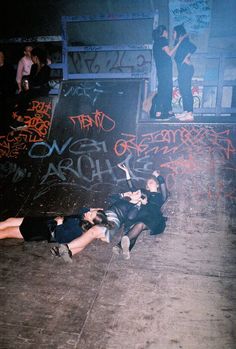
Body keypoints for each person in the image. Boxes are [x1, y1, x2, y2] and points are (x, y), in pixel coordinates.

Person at [50, 188, 149, 262]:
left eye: (137, 193)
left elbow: (131, 217)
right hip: (103, 217)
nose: (134, 192)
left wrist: (138, 204)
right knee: (87, 237)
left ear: (141, 198)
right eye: (135, 191)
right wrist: (123, 195)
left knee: (92, 232)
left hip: (113, 221)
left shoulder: (134, 207)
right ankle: (69, 253)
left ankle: (64, 248)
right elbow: (110, 198)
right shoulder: (124, 200)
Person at [112, 164, 168, 259]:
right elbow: (132, 188)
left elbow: (163, 183)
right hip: (141, 214)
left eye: (152, 182)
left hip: (153, 216)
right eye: (148, 182)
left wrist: (157, 175)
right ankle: (126, 249)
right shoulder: (144, 193)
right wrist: (127, 172)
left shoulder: (161, 196)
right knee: (136, 227)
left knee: (140, 224)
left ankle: (120, 245)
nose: (149, 183)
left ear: (157, 185)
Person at [0, 208, 100, 243]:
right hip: (41, 221)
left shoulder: (79, 230)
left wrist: (59, 223)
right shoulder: (83, 218)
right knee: (10, 221)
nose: (88, 213)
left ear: (92, 222)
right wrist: (92, 209)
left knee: (6, 232)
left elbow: (61, 239)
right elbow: (83, 211)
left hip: (40, 231)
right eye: (91, 212)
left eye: (91, 214)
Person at [150, 25, 185, 119]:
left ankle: (165, 111)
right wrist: (178, 44)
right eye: (166, 32)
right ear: (164, 32)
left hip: (160, 69)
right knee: (166, 88)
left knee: (163, 87)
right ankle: (162, 111)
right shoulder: (162, 40)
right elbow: (169, 53)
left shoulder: (156, 43)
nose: (168, 33)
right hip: (165, 69)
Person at [12, 47, 51, 129]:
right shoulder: (34, 67)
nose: (31, 58)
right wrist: (26, 83)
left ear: (36, 57)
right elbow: (31, 79)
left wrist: (30, 84)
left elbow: (40, 82)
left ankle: (20, 119)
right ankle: (19, 118)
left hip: (42, 89)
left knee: (27, 94)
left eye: (32, 56)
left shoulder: (46, 68)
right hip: (34, 89)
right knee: (22, 94)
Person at [173, 24, 197, 122]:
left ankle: (190, 113)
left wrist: (187, 57)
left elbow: (194, 47)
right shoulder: (179, 42)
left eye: (174, 32)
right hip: (183, 70)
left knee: (186, 90)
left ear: (178, 32)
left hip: (187, 69)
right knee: (183, 90)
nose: (172, 34)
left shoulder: (184, 41)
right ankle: (186, 111)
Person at [0, 50, 17, 134]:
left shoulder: (9, 67)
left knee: (7, 110)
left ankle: (8, 129)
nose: (0, 58)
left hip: (7, 94)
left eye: (1, 56)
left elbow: (12, 82)